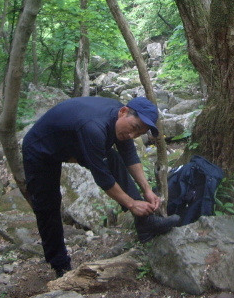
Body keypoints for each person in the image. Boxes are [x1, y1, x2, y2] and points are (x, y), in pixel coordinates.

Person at [22, 96, 179, 278]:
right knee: (48, 205)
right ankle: (60, 266)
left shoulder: (122, 121)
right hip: (40, 149)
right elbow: (103, 178)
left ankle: (145, 224)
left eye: (138, 134)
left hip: (73, 139)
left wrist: (147, 190)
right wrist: (131, 204)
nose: (132, 136)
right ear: (123, 112)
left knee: (114, 160)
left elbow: (129, 155)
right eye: (134, 129)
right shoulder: (94, 127)